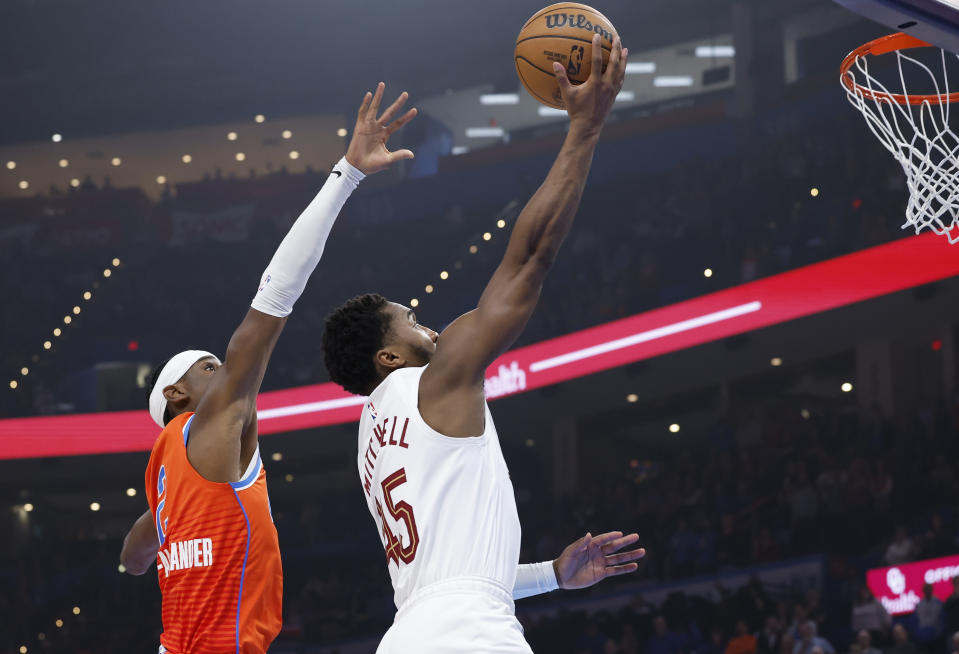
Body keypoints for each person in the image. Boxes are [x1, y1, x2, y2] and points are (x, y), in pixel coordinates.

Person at [321, 34, 639, 653]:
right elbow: (527, 262)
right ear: (387, 356)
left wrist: (551, 575)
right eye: (412, 320)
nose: (431, 328)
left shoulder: (370, 434)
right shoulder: (433, 381)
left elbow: (451, 581)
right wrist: (585, 130)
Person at [118, 83, 418, 653]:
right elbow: (273, 301)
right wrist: (346, 176)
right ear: (179, 395)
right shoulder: (208, 426)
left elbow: (132, 561)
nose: (223, 370)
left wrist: (163, 530)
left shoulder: (163, 482)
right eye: (210, 367)